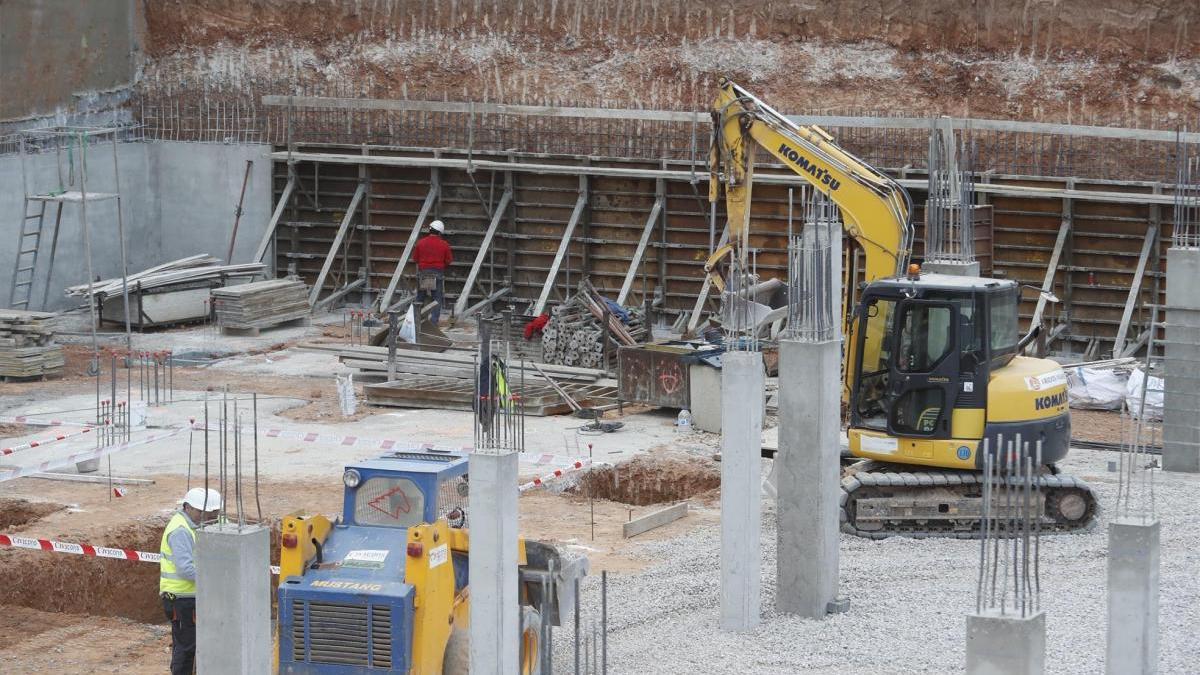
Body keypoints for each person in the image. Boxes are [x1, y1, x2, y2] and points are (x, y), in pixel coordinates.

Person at [160, 487, 221, 675]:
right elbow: (185, 569)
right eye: (202, 512)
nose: (207, 517)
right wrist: (216, 578)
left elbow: (226, 524)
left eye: (211, 513)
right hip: (181, 599)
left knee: (196, 644)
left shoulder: (200, 522)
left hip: (193, 597)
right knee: (186, 647)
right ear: (188, 507)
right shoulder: (181, 531)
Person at [413, 219, 453, 324]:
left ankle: (414, 320)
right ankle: (434, 322)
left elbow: (415, 259)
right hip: (437, 272)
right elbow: (449, 260)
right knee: (437, 298)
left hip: (424, 273)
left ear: (429, 230)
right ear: (440, 232)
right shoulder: (444, 244)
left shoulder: (420, 243)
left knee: (420, 297)